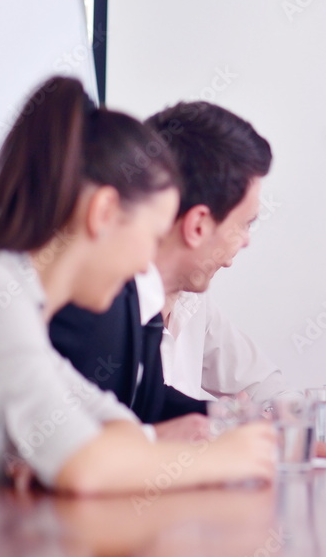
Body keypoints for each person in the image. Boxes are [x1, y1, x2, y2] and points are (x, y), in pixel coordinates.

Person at [0, 77, 274, 493]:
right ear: (103, 213)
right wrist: (223, 457)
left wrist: (101, 452)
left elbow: (115, 426)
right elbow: (83, 465)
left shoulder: (24, 304)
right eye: (153, 236)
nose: (146, 266)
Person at [49, 101, 280, 438]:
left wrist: (235, 420)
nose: (246, 241)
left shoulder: (146, 300)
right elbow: (78, 444)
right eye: (245, 224)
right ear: (197, 224)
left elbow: (149, 401)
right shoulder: (97, 299)